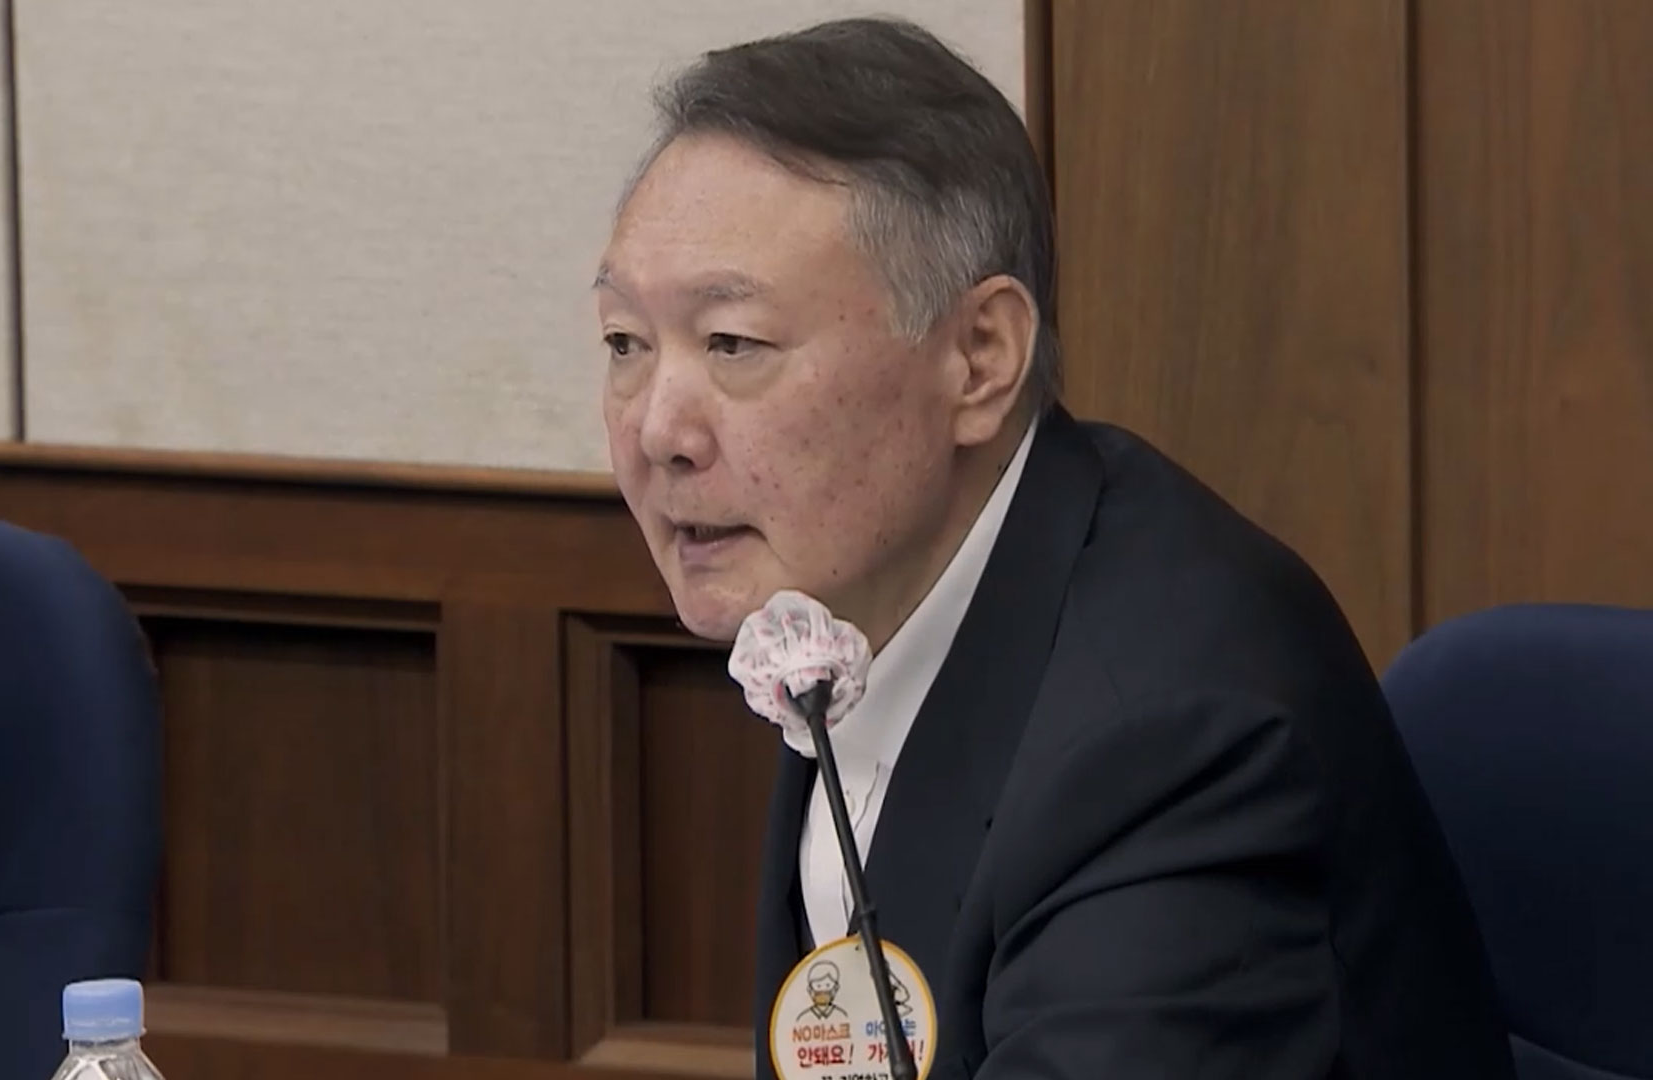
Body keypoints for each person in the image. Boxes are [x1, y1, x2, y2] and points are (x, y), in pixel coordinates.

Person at [594, 16, 1515, 1079]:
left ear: (980, 357)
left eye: (733, 343)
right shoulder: (844, 602)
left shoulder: (1169, 741)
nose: (657, 429)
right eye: (624, 342)